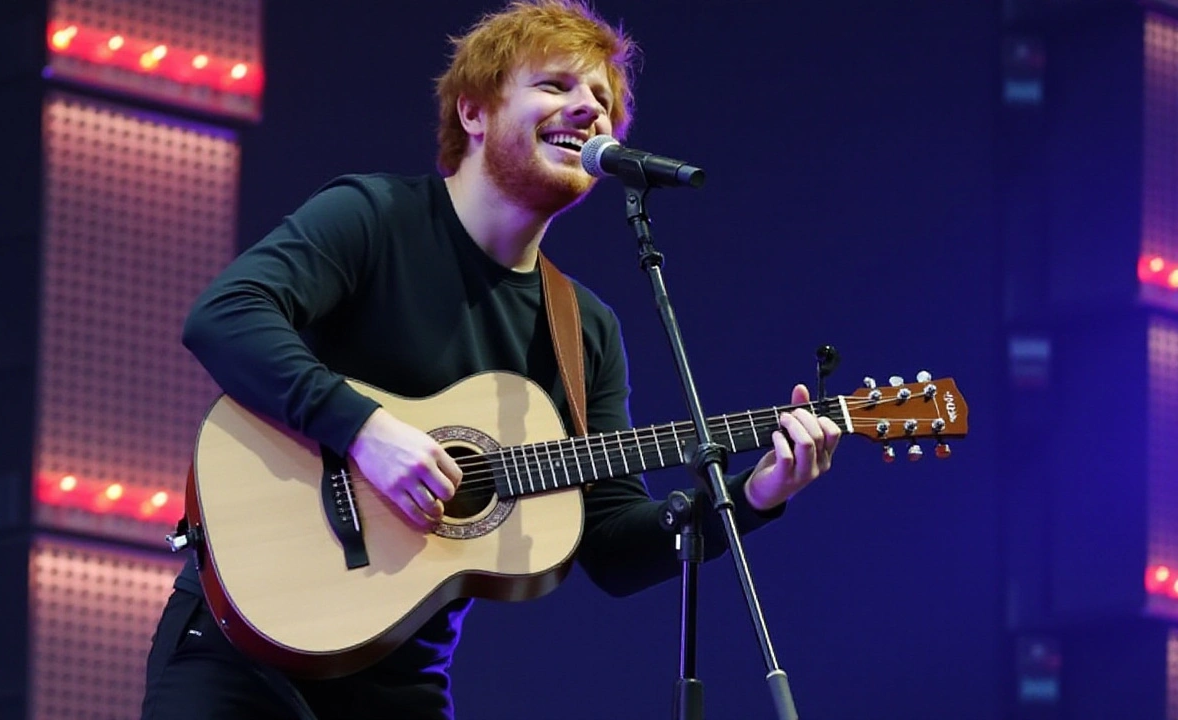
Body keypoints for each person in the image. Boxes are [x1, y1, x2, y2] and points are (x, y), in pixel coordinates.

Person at [139, 1, 842, 718]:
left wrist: (755, 495)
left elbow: (611, 542)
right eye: (556, 86)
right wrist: (364, 431)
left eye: (602, 100)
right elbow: (224, 317)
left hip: (401, 679)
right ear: (474, 114)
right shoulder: (374, 217)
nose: (588, 110)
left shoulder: (583, 330)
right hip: (244, 650)